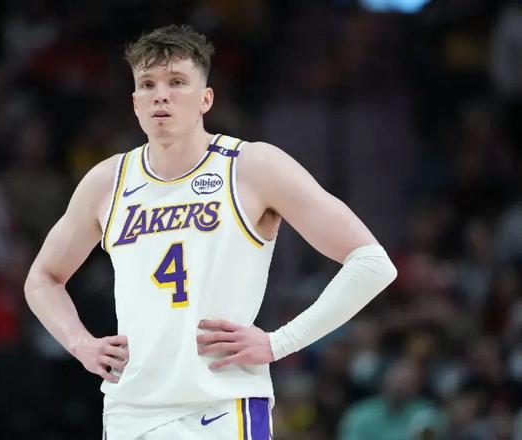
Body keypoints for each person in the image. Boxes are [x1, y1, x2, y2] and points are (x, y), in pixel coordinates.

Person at [24, 24, 398, 440]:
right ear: (135, 103)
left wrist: (280, 343)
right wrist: (81, 344)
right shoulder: (106, 182)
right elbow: (43, 278)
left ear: (206, 98)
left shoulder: (251, 166)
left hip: (223, 406)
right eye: (147, 84)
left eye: (176, 82)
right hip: (131, 410)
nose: (160, 95)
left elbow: (372, 263)